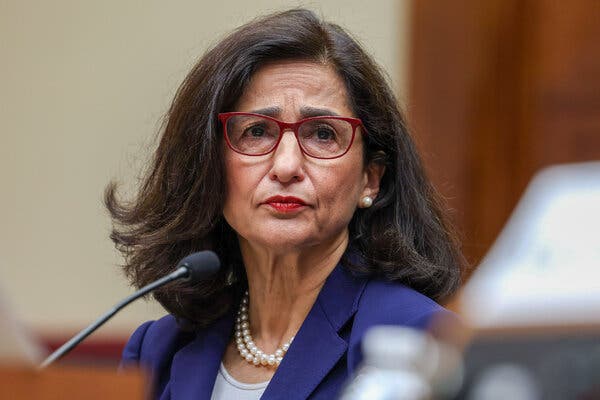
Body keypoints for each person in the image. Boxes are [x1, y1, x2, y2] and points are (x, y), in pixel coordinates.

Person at [106, 8, 464, 400]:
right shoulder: (158, 352)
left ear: (370, 179)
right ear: (209, 167)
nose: (287, 165)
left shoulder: (418, 341)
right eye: (257, 131)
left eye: (323, 134)